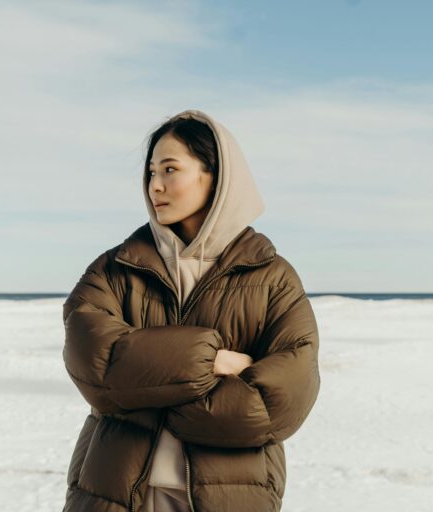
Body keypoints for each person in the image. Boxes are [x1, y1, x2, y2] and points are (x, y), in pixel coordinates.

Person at [62, 109, 320, 512]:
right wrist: (211, 361)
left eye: (170, 170)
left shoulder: (273, 277)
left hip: (234, 494)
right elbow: (94, 366)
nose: (155, 187)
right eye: (150, 173)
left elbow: (281, 402)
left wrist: (152, 383)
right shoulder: (115, 268)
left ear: (216, 176)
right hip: (115, 492)